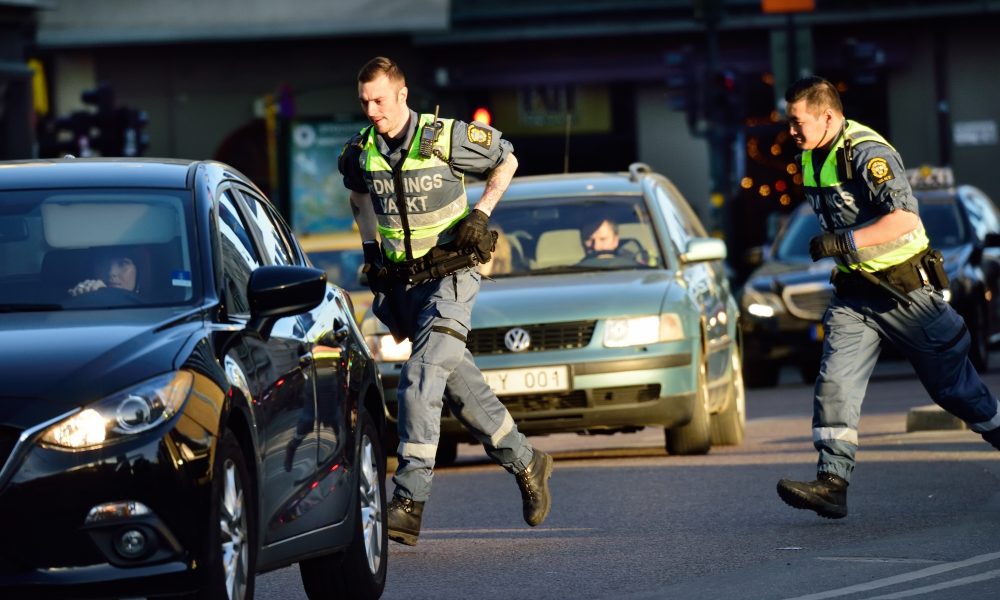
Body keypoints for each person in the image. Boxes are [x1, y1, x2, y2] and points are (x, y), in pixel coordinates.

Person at [338, 56, 553, 546]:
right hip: (406, 289)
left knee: (419, 378)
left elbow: (507, 158)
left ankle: (408, 500)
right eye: (365, 101)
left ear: (402, 95)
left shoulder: (443, 137)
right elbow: (359, 195)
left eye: (379, 100)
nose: (371, 110)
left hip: (453, 278)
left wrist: (481, 213)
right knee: (462, 390)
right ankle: (528, 462)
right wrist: (371, 250)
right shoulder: (360, 152)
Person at [776, 76, 1000, 519]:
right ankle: (832, 483)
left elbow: (904, 219)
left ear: (827, 117)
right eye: (790, 122)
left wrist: (844, 242)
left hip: (905, 293)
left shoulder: (867, 153)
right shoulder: (811, 155)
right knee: (835, 383)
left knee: (957, 393)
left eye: (798, 122)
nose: (792, 132)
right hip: (855, 295)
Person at [68, 250, 144, 297]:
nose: (111, 272)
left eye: (122, 264)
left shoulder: (147, 312)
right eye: (103, 264)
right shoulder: (86, 295)